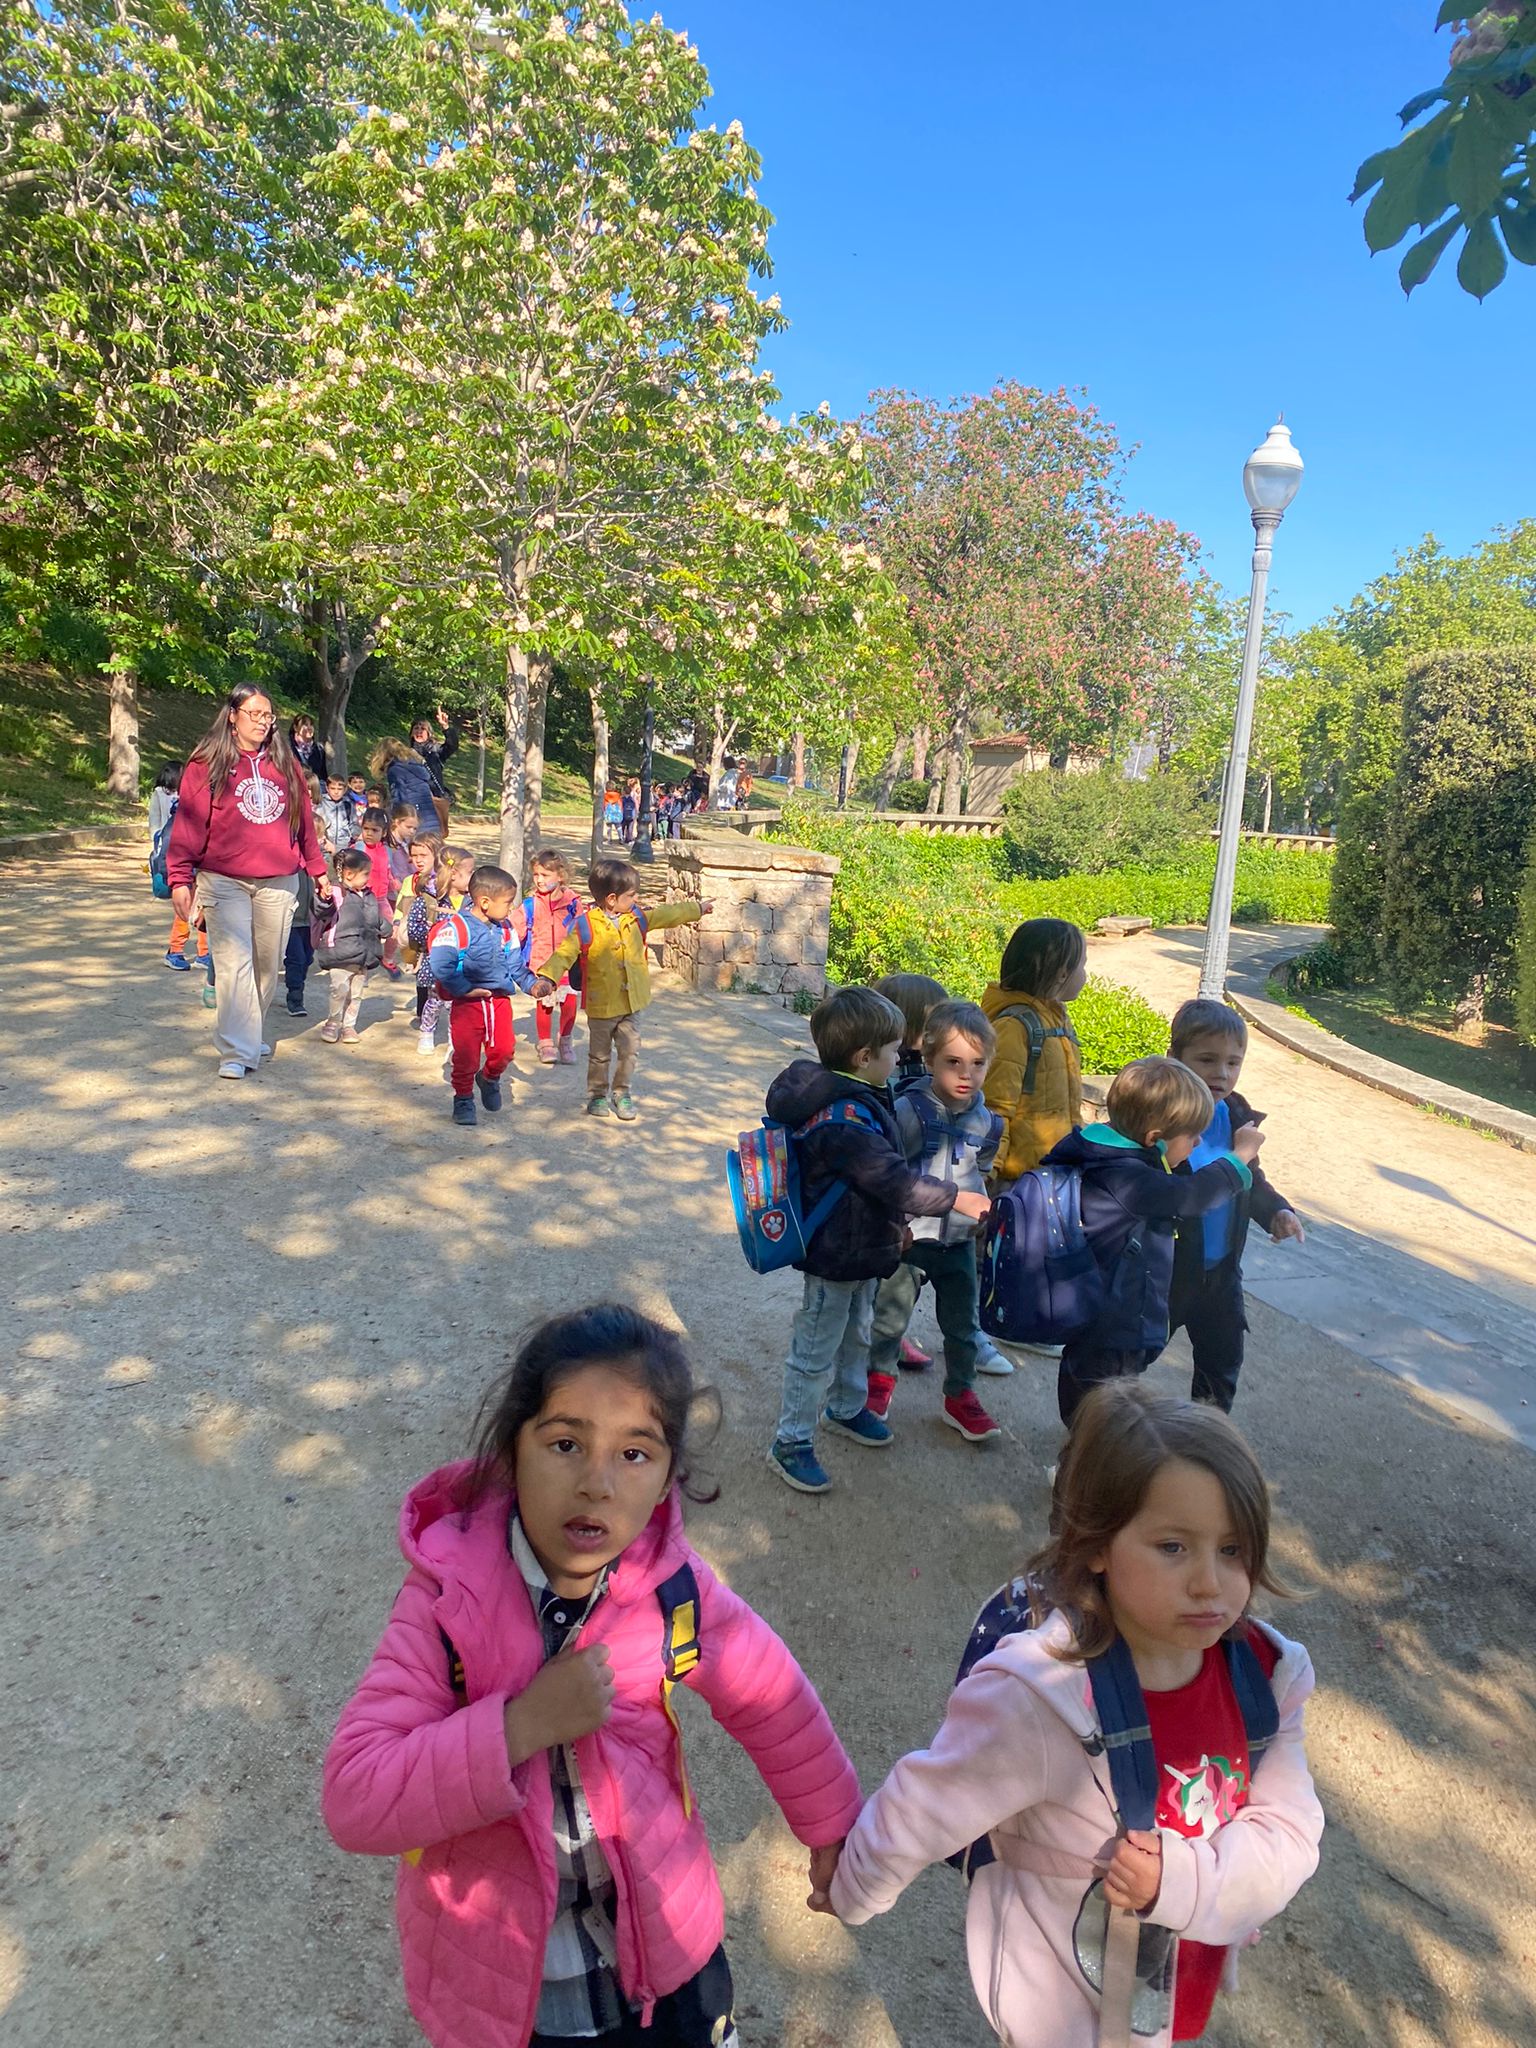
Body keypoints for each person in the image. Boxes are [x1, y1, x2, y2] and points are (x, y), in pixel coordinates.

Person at [322, 1304, 863, 2048]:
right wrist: (518, 1727)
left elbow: (773, 1698)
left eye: (634, 1453)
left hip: (667, 1959)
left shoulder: (673, 1589)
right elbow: (354, 1796)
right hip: (512, 1996)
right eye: (566, 1444)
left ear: (669, 1479)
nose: (597, 1483)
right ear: (511, 1452)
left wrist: (832, 1827)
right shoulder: (448, 1602)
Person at [818, 1380, 1323, 2048]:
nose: (1210, 1582)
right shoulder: (1043, 1692)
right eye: (1174, 1547)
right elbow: (929, 1801)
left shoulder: (1265, 1676)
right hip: (1059, 2000)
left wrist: (1180, 1882)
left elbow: (1290, 1832)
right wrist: (853, 1886)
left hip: (1180, 1966)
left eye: (1232, 1549)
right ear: (1096, 1545)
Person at [761, 985, 990, 1495]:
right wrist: (957, 1198)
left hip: (863, 1249)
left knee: (857, 1333)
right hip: (834, 1255)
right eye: (893, 1050)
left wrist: (893, 1231)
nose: (900, 1057)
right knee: (814, 1348)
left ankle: (846, 1407)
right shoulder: (845, 1121)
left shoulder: (861, 1095)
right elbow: (896, 1182)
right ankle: (790, 1441)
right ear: (864, 1057)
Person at [1039, 1057, 1264, 1428]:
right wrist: (1240, 1158)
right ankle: (1083, 1456)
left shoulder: (1100, 1153)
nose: (1197, 1143)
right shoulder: (1130, 1178)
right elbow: (1191, 1196)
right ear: (1153, 1138)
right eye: (1191, 1137)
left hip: (1094, 1307)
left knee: (1091, 1390)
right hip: (1114, 1318)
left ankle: (1082, 1446)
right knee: (1102, 1404)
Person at [166, 684, 330, 1080]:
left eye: (268, 715)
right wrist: (180, 878)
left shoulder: (285, 762)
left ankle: (249, 1031)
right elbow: (189, 825)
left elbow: (303, 820)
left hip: (279, 879)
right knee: (233, 964)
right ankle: (236, 1050)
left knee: (266, 965)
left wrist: (318, 868)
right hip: (224, 879)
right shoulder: (206, 762)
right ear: (233, 716)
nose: (262, 721)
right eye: (254, 713)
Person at [865, 1001, 1005, 1444]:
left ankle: (960, 1394)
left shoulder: (988, 1122)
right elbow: (890, 1173)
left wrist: (979, 1210)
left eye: (978, 1064)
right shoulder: (906, 1111)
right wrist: (894, 1224)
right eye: (953, 1062)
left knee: (963, 1327)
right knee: (889, 1320)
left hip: (958, 1242)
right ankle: (877, 1383)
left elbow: (982, 1168)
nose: (967, 1074)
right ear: (928, 1060)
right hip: (911, 1239)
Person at [1165, 1000, 1305, 1412]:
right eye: (1207, 1060)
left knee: (1221, 1366)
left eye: (1233, 1062)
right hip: (1166, 1271)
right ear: (1175, 1057)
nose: (1221, 1073)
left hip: (1222, 1275)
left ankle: (1208, 1435)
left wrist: (1276, 1211)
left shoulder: (1235, 1114)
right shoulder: (1159, 1117)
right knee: (1127, 1357)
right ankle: (1092, 1429)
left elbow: (1250, 1179)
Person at [532, 857, 710, 1123]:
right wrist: (547, 978)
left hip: (631, 1003)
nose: (636, 899)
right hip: (601, 1005)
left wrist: (696, 909)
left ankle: (622, 1092)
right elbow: (564, 954)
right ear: (612, 899)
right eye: (631, 895)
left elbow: (666, 914)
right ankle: (597, 1095)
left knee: (629, 1051)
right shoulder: (585, 925)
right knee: (599, 1056)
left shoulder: (636, 917)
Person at [427, 863, 540, 1127]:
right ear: (485, 902)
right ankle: (463, 1099)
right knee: (465, 1056)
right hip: (467, 1004)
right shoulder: (456, 927)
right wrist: (465, 989)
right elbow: (441, 964)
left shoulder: (506, 929)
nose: (511, 908)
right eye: (508, 902)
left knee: (504, 1050)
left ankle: (489, 1077)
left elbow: (515, 965)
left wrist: (533, 985)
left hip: (499, 1002)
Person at [982, 918, 1087, 1188]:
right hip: (1018, 1182)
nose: (1085, 974)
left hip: (1055, 1171)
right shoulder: (1013, 1027)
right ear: (1062, 973)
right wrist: (988, 1174)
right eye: (1082, 965)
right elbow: (996, 1108)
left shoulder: (1056, 1020)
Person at [314, 848, 387, 1043]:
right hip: (341, 951)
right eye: (366, 874)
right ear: (348, 874)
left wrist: (386, 927)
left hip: (364, 951)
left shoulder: (368, 895)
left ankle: (349, 1026)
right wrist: (324, 898)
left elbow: (374, 918)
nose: (368, 879)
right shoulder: (336, 892)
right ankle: (333, 1023)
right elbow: (321, 911)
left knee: (356, 994)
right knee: (339, 989)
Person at [524, 848, 582, 1066]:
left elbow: (582, 929)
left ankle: (565, 1040)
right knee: (545, 1004)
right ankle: (545, 1044)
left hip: (568, 963)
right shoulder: (531, 904)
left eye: (545, 875)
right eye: (536, 874)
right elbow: (516, 926)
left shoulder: (573, 903)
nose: (539, 880)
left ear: (561, 876)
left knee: (569, 1004)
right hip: (542, 964)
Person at [395, 832, 446, 1055]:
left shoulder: (445, 880)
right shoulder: (411, 881)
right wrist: (398, 922)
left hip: (441, 936)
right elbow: (402, 905)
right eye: (414, 855)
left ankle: (437, 1013)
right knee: (422, 976)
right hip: (418, 935)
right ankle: (422, 1012)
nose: (418, 860)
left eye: (423, 855)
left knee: (439, 980)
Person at [150, 762, 194, 970]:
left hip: (199, 861)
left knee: (206, 907)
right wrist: (158, 843)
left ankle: (204, 953)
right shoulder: (161, 795)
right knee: (185, 905)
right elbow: (155, 822)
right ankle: (176, 949)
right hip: (175, 853)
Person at [373, 739, 440, 851]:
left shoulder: (395, 770)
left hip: (413, 819)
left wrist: (391, 814)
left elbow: (399, 797)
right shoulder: (417, 766)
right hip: (430, 817)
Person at [409, 707, 458, 834]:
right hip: (412, 800)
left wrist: (445, 727)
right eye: (416, 728)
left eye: (423, 729)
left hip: (433, 800)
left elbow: (452, 745)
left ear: (429, 733)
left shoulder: (436, 751)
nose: (419, 731)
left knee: (432, 835)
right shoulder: (405, 753)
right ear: (411, 733)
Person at [316, 773, 353, 855]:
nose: (336, 792)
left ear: (345, 789)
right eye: (333, 788)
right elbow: (319, 825)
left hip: (344, 845)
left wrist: (355, 836)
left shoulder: (348, 804)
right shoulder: (321, 803)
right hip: (326, 845)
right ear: (327, 788)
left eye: (339, 789)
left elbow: (353, 824)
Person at [288, 714, 328, 783]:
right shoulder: (287, 746)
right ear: (295, 727)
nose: (309, 728)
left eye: (311, 725)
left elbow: (323, 776)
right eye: (305, 725)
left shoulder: (319, 749)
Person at [620, 776, 638, 846]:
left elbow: (621, 807)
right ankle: (629, 839)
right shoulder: (632, 799)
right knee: (630, 828)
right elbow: (635, 806)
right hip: (631, 815)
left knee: (622, 827)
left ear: (624, 792)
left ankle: (621, 838)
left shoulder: (622, 799)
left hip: (623, 815)